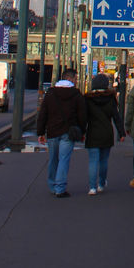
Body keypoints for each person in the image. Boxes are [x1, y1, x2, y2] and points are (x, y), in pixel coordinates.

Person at [37, 68, 87, 198]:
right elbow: (82, 115)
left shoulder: (51, 93)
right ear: (69, 79)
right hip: (68, 132)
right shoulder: (76, 95)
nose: (77, 81)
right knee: (64, 159)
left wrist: (40, 132)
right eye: (76, 79)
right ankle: (60, 188)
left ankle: (52, 185)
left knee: (53, 159)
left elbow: (43, 114)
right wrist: (82, 131)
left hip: (52, 132)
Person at [84, 72, 125, 195]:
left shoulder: (88, 99)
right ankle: (101, 184)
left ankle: (92, 187)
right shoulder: (111, 98)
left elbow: (84, 117)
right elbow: (116, 117)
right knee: (103, 161)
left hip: (92, 132)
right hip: (107, 132)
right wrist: (121, 133)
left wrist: (81, 132)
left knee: (93, 161)